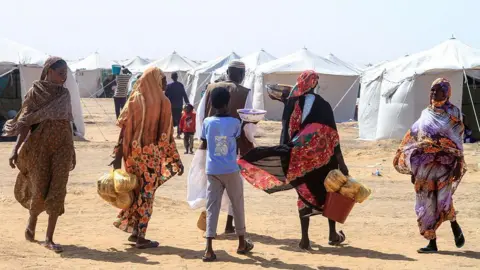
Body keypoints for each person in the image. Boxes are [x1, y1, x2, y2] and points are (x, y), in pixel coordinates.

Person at [238, 70, 349, 249]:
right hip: (324, 159)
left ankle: (304, 239)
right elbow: (333, 136)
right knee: (330, 192)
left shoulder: (292, 102)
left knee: (303, 193)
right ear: (314, 83)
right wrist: (341, 162)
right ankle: (331, 234)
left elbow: (287, 130)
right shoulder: (323, 104)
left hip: (299, 158)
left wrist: (288, 156)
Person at [3, 57, 76, 253]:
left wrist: (73, 150)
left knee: (58, 188)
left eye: (66, 74)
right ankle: (32, 220)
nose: (64, 77)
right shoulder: (35, 92)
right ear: (49, 71)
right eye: (61, 73)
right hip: (39, 147)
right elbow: (26, 122)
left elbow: (67, 122)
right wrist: (15, 149)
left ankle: (49, 238)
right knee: (40, 187)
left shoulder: (65, 94)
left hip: (62, 146)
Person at [110, 67, 184, 249]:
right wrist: (176, 159)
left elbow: (123, 127)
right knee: (147, 195)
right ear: (155, 80)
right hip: (151, 157)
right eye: (163, 80)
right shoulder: (163, 102)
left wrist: (117, 155)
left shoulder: (134, 99)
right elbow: (166, 136)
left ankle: (135, 231)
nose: (165, 84)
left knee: (135, 192)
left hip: (132, 155)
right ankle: (141, 236)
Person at [393, 78, 466, 253]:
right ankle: (431, 242)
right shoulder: (426, 112)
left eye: (437, 90)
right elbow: (415, 137)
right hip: (423, 166)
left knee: (443, 200)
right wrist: (413, 167)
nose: (433, 94)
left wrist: (458, 164)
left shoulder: (454, 114)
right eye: (432, 90)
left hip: (445, 165)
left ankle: (455, 225)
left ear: (446, 93)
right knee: (426, 202)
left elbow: (458, 143)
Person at [189, 60, 255, 235]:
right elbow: (248, 123)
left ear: (227, 72)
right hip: (234, 149)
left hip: (210, 147)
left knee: (210, 187)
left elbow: (200, 116)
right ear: (241, 75)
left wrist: (203, 139)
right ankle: (229, 225)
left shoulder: (210, 88)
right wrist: (249, 141)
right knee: (235, 188)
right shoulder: (244, 93)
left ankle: (210, 228)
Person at [201, 87, 254, 262]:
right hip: (231, 169)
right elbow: (239, 143)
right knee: (237, 204)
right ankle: (241, 243)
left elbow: (204, 144)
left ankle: (208, 248)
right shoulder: (234, 122)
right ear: (227, 103)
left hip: (213, 170)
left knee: (212, 207)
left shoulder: (207, 122)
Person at [165, 72, 189, 139]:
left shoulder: (168, 86)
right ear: (177, 77)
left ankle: (170, 134)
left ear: (172, 77)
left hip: (171, 105)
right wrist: (188, 103)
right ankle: (178, 134)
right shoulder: (180, 85)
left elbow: (165, 96)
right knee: (179, 120)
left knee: (170, 120)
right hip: (179, 105)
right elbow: (184, 95)